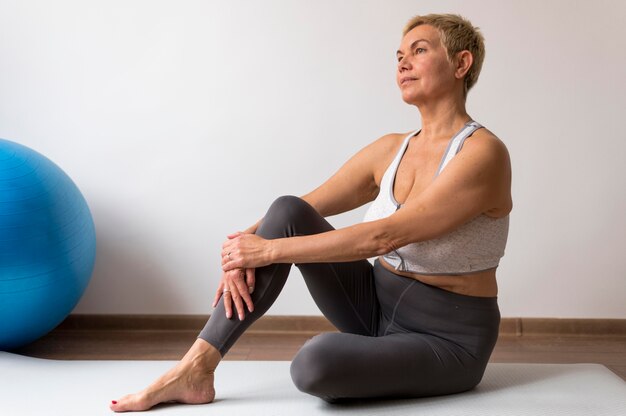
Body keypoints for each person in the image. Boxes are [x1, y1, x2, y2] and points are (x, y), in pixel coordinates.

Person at [110, 13, 512, 411]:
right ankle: (195, 368)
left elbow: (384, 236)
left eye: (419, 51)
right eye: (398, 55)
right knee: (287, 209)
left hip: (447, 337)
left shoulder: (482, 154)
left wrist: (265, 252)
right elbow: (301, 209)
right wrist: (240, 248)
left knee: (313, 363)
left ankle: (375, 356)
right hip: (374, 304)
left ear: (461, 63)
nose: (402, 63)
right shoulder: (393, 147)